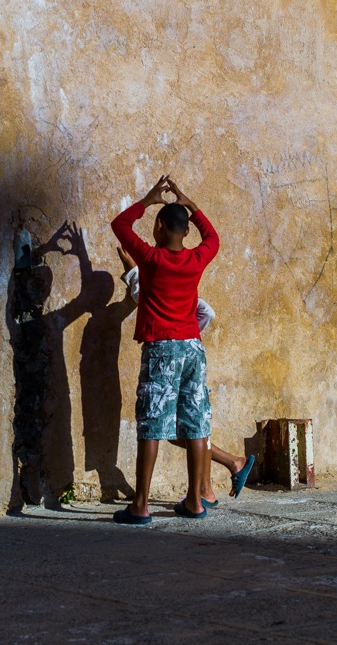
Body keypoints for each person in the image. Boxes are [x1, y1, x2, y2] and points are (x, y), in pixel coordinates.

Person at [110, 175, 255, 524]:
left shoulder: (150, 258)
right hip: (193, 348)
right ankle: (195, 501)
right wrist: (190, 202)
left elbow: (120, 224)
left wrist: (147, 200)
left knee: (152, 424)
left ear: (159, 227)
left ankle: (140, 505)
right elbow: (214, 237)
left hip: (162, 349)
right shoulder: (196, 259)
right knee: (195, 423)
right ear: (186, 232)